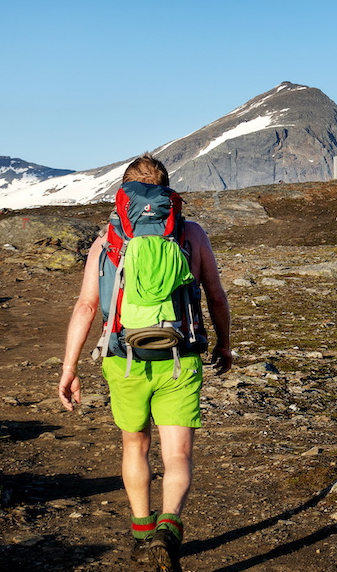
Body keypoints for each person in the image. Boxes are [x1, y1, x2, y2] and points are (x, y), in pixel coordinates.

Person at [58, 154, 232, 571]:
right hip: (180, 355)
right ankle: (168, 530)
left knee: (135, 445)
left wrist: (69, 367)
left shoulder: (107, 242)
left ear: (124, 196)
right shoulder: (190, 234)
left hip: (124, 358)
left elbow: (86, 306)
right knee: (178, 456)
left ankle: (141, 535)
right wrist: (224, 345)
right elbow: (216, 296)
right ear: (167, 192)